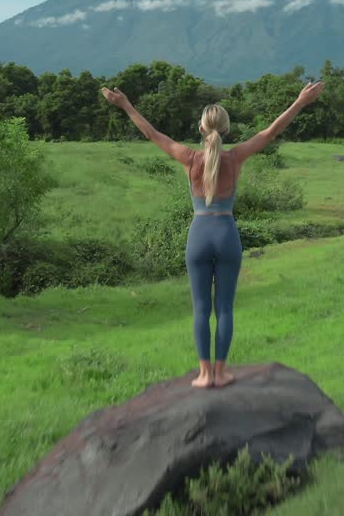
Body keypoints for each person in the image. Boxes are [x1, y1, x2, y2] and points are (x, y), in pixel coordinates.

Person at [101, 80, 324, 388]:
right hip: (227, 234)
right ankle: (221, 372)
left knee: (201, 308)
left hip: (199, 235)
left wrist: (125, 104)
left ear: (201, 129)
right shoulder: (235, 158)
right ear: (227, 130)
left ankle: (204, 374)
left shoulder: (189, 158)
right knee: (225, 308)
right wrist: (300, 101)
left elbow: (151, 133)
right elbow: (271, 132)